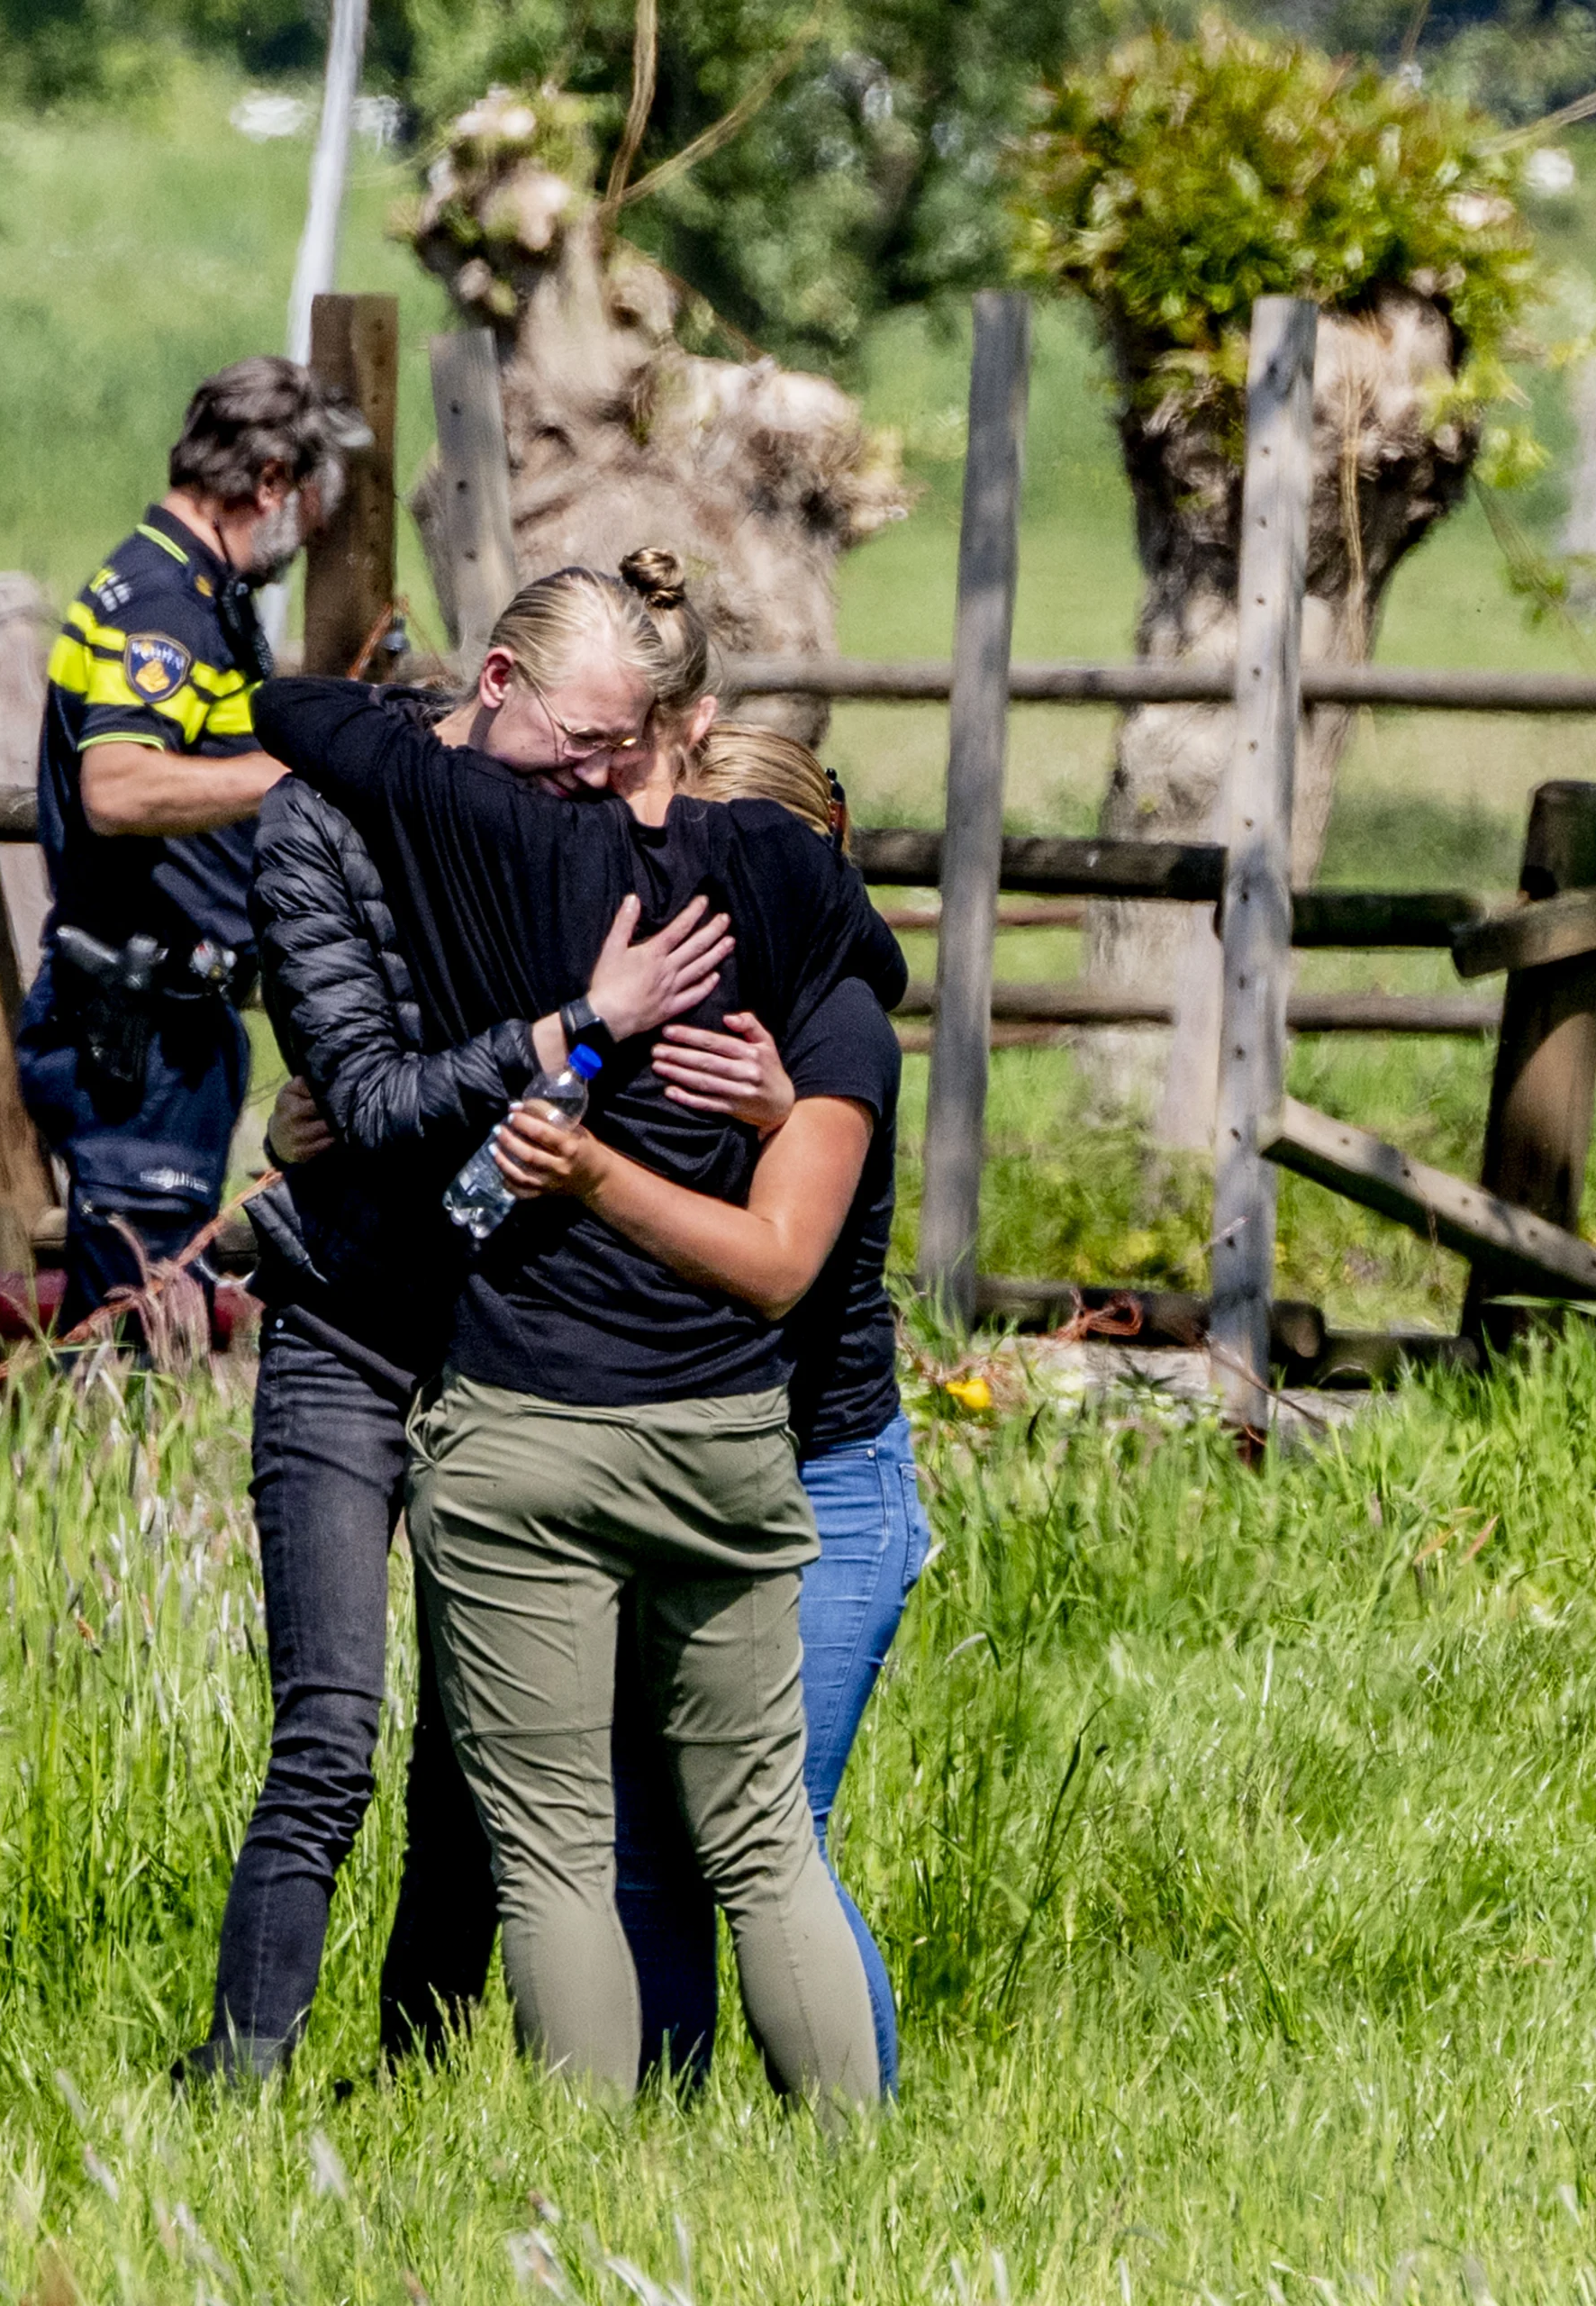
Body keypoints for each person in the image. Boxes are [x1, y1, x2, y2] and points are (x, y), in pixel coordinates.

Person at [252, 578, 903, 2112]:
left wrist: (387, 1145)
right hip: (732, 1435)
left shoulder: (520, 856)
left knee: (557, 1845)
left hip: (533, 1421)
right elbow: (854, 985)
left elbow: (309, 716)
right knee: (760, 1843)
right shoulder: (791, 899)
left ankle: (580, 2185)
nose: (589, 774)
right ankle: (857, 2167)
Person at [181, 558, 740, 2085]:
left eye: (621, 752)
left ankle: (415, 2077)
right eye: (575, 742)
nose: (594, 779)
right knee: (333, 1734)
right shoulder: (318, 822)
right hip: (352, 1325)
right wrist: (569, 1031)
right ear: (494, 685)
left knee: (475, 1758)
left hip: (512, 1330)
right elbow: (360, 1095)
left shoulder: (577, 826)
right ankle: (238, 2081)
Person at [503, 726, 927, 2097]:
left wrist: (774, 1116)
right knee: (643, 1839)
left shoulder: (835, 1019)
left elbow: (781, 1254)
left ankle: (865, 2141)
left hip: (824, 1474)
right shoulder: (653, 1006)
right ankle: (668, 2132)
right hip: (675, 1458)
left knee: (766, 1834)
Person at [21, 358, 372, 1336]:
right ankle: (101, 1484)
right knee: (140, 1321)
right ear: (268, 480)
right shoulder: (165, 603)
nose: (311, 528)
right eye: (310, 498)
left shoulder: (198, 591)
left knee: (155, 1296)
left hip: (176, 1010)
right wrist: (295, 775)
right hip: (143, 1019)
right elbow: (118, 787)